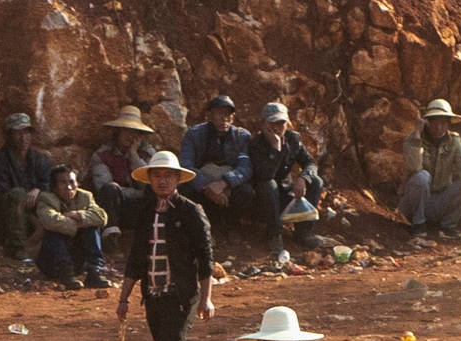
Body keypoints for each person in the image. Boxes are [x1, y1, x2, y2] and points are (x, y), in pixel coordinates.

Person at [115, 150, 217, 341]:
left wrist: (206, 298)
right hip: (153, 296)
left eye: (168, 176)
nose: (162, 181)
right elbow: (136, 259)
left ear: (177, 179)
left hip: (182, 296)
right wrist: (124, 298)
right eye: (157, 175)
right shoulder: (145, 213)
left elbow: (206, 258)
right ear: (149, 179)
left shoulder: (191, 211)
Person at [398, 98, 461, 240]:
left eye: (443, 122)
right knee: (422, 176)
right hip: (414, 204)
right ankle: (418, 224)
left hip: (440, 201)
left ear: (449, 123)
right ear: (427, 122)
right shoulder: (412, 139)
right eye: (434, 122)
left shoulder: (454, 141)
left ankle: (448, 225)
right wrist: (417, 135)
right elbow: (413, 167)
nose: (438, 127)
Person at [249, 103, 327, 254]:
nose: (278, 128)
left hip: (286, 196)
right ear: (264, 124)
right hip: (263, 201)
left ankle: (303, 232)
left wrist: (303, 178)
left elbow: (310, 162)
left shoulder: (292, 139)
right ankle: (274, 234)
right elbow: (266, 174)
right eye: (273, 123)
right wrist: (275, 148)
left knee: (316, 181)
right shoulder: (256, 145)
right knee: (269, 184)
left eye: (281, 123)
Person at [179, 94, 256, 235]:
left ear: (233, 117)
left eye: (228, 114)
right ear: (210, 115)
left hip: (228, 186)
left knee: (246, 192)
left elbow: (245, 167)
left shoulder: (241, 136)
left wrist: (224, 183)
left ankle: (233, 225)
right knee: (184, 189)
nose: (224, 118)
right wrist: (208, 187)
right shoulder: (194, 134)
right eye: (220, 113)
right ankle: (200, 226)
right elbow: (186, 165)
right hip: (203, 185)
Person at [31, 159, 111, 287]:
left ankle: (94, 272)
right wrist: (80, 224)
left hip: (77, 259)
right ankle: (66, 275)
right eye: (63, 183)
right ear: (54, 187)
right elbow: (50, 221)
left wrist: (78, 215)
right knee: (53, 232)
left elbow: (102, 217)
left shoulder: (85, 196)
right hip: (52, 261)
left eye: (72, 182)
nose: (69, 187)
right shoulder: (45, 198)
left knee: (92, 228)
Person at [0, 113, 54, 255]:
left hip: (36, 213)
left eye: (26, 132)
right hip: (7, 218)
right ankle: (17, 249)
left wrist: (38, 189)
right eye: (18, 133)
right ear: (10, 135)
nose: (23, 138)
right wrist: (23, 204)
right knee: (17, 194)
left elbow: (49, 183)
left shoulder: (40, 160)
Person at [88, 105, 161, 224]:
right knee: (110, 189)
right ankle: (112, 232)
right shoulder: (102, 155)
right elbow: (103, 187)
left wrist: (134, 156)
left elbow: (149, 185)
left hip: (143, 207)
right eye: (126, 130)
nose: (130, 135)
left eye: (134, 131)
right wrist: (138, 193)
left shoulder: (148, 154)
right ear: (118, 131)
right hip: (117, 207)